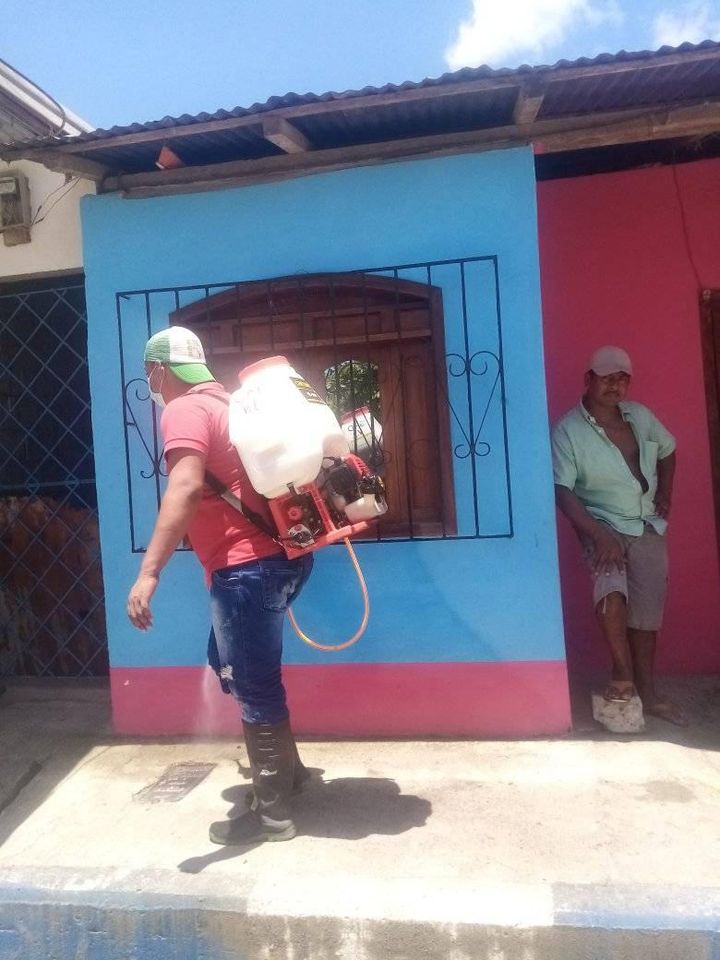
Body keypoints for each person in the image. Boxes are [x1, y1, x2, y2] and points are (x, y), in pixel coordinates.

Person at [127, 326, 315, 844]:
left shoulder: (184, 409)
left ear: (159, 371)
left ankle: (273, 815)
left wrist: (149, 572)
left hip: (245, 570)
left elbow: (186, 487)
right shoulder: (231, 405)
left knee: (255, 684)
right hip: (283, 563)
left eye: (150, 373)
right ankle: (291, 774)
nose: (151, 382)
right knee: (235, 664)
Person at [551, 345, 685, 726]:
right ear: (588, 379)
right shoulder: (568, 431)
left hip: (646, 523)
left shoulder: (640, 416)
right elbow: (562, 490)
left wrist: (665, 492)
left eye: (622, 379)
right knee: (611, 589)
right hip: (601, 522)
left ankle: (648, 691)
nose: (615, 385)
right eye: (607, 378)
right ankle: (622, 674)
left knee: (647, 608)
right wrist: (598, 534)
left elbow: (668, 449)